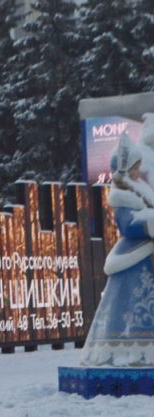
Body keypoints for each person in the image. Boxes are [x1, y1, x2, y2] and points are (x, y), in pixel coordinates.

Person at [80, 134, 154, 366]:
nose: (137, 171)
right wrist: (149, 223)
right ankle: (124, 350)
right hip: (133, 256)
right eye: (134, 167)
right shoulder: (121, 195)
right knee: (128, 302)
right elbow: (127, 224)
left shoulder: (139, 189)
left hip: (147, 252)